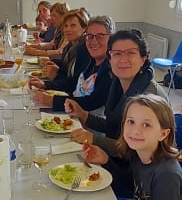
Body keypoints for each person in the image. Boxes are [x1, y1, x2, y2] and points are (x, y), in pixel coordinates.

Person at [68, 29, 168, 157]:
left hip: (143, 165)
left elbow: (137, 151)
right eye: (117, 54)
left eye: (131, 53)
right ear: (109, 60)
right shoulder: (118, 84)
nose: (123, 59)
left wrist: (94, 139)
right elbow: (114, 126)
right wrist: (83, 115)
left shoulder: (148, 98)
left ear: (143, 59)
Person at [33, 15, 115, 113]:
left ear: (112, 39)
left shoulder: (111, 70)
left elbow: (90, 102)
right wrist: (46, 85)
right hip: (73, 114)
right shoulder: (92, 62)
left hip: (87, 120)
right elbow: (74, 82)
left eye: (99, 36)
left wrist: (52, 101)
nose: (94, 41)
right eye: (90, 36)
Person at [29, 8, 89, 94]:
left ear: (84, 28)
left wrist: (48, 83)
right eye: (65, 26)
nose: (67, 29)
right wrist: (55, 64)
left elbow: (75, 84)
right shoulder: (70, 46)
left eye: (73, 25)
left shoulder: (85, 50)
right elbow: (66, 69)